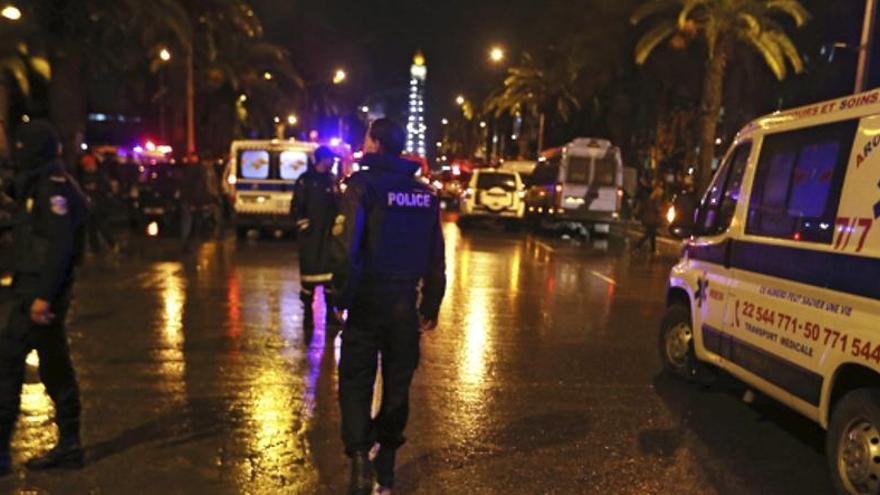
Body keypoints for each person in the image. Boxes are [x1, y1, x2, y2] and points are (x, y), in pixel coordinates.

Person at [331, 118, 446, 495]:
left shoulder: (362, 187)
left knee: (356, 379)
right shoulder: (425, 195)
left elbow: (347, 250)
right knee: (398, 383)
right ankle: (388, 458)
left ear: (377, 144)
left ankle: (361, 456)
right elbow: (435, 256)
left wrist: (339, 298)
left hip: (367, 300)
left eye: (366, 138)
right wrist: (431, 302)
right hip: (404, 304)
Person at [0, 120, 88, 475]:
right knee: (54, 364)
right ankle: (69, 445)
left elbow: (60, 246)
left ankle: (2, 452)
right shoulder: (38, 181)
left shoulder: (54, 188)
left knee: (7, 364)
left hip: (39, 294)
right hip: (35, 290)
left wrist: (44, 297)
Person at [291, 145, 340, 326]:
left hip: (328, 237)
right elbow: (296, 207)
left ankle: (330, 314)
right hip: (311, 239)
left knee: (330, 279)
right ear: (322, 160)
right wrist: (305, 229)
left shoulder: (331, 180)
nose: (333, 161)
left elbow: (337, 205)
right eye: (330, 158)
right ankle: (308, 316)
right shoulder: (305, 181)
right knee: (309, 279)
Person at [77, 153, 118, 253]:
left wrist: (97, 189)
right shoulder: (83, 176)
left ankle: (113, 245)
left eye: (88, 165)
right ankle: (96, 250)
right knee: (92, 229)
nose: (87, 167)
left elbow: (106, 188)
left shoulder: (100, 175)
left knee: (102, 226)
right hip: (89, 206)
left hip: (100, 206)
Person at [633, 179, 664, 255]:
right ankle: (637, 247)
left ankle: (652, 250)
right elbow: (656, 208)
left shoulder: (652, 197)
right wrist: (660, 210)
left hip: (649, 218)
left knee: (652, 234)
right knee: (649, 234)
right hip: (651, 219)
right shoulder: (656, 198)